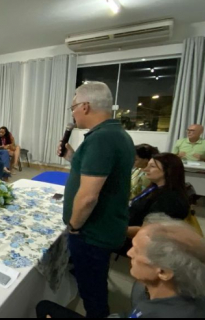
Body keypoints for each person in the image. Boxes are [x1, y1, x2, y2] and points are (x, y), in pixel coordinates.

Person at [36, 215, 205, 318]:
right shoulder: (164, 290)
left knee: (44, 307)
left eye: (137, 251)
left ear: (163, 271)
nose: (129, 254)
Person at [57, 81, 135, 318]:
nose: (72, 113)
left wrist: (74, 227)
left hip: (92, 232)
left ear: (85, 106)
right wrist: (73, 156)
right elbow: (96, 175)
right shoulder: (115, 133)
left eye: (73, 107)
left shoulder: (101, 139)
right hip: (104, 226)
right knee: (94, 279)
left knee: (93, 292)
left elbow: (89, 196)